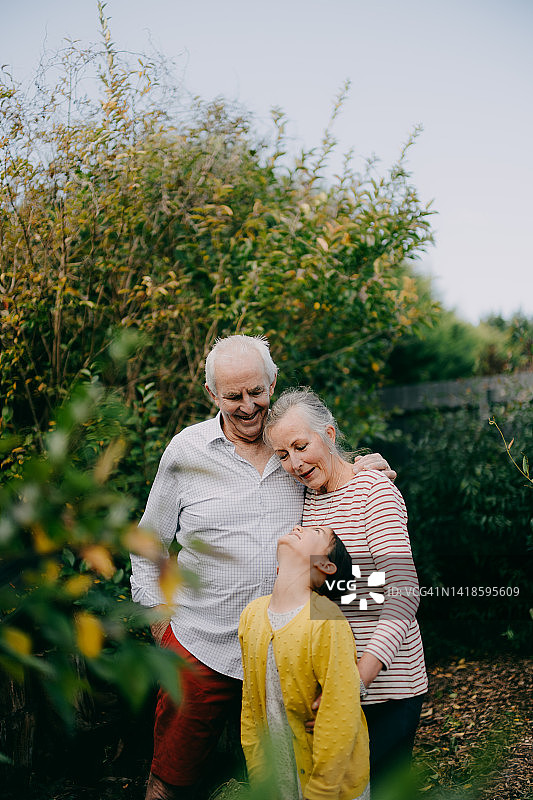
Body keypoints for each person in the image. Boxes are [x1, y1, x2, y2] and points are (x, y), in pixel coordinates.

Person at [129, 335, 395, 800]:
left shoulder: (290, 446)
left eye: (257, 391)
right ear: (212, 394)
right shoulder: (186, 451)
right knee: (170, 778)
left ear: (272, 383)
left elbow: (332, 471)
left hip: (289, 649)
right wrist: (160, 627)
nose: (249, 406)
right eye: (234, 396)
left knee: (290, 777)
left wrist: (364, 470)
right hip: (200, 645)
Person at [264, 388, 428, 793]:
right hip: (332, 686)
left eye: (301, 446)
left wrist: (357, 680)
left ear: (330, 434)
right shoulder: (307, 499)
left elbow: (404, 591)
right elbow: (326, 592)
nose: (295, 464)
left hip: (386, 688)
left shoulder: (374, 491)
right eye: (283, 455)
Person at [239, 522, 370, 800]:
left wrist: (321, 793)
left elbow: (340, 715)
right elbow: (250, 707)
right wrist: (260, 780)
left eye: (317, 532)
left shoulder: (327, 620)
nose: (299, 527)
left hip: (331, 789)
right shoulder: (251, 615)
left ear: (325, 565)